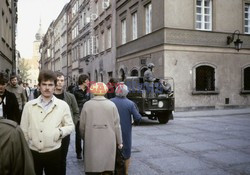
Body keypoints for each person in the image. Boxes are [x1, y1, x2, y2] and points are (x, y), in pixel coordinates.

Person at [20, 70, 75, 175]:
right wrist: (26, 147)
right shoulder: (29, 106)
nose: (47, 87)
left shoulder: (62, 105)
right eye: (44, 84)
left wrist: (59, 132)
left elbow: (70, 125)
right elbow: (24, 129)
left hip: (54, 151)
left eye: (50, 84)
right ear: (39, 86)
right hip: (34, 151)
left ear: (54, 86)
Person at [79, 82, 123, 175]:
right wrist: (119, 141)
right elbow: (117, 125)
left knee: (93, 166)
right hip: (109, 140)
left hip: (92, 140)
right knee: (107, 167)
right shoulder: (111, 105)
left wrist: (85, 137)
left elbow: (82, 126)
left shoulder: (87, 105)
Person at [111, 84, 142, 175]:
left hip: (112, 132)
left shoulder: (110, 102)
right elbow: (138, 118)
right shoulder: (130, 103)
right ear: (126, 92)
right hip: (125, 132)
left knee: (112, 151)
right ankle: (126, 172)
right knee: (126, 153)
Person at [54, 71, 79, 175]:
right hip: (52, 131)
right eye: (58, 80)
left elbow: (76, 112)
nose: (60, 83)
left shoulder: (70, 96)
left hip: (65, 132)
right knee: (53, 159)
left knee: (63, 158)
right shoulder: (48, 96)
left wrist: (71, 125)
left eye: (62, 80)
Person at [73, 74, 91, 159]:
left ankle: (86, 152)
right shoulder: (75, 90)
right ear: (83, 81)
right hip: (79, 114)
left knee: (87, 134)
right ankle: (78, 152)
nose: (88, 82)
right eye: (87, 80)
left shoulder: (88, 90)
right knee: (78, 135)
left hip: (87, 114)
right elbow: (73, 103)